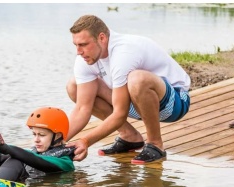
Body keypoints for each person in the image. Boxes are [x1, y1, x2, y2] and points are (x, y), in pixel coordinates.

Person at [65, 15, 191, 165]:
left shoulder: (124, 52)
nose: (79, 51)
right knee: (74, 86)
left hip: (173, 104)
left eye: (84, 44)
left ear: (102, 38)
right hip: (135, 102)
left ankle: (155, 144)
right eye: (76, 45)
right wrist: (57, 142)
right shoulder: (85, 58)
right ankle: (129, 136)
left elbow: (120, 113)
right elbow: (82, 109)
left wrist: (85, 141)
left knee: (137, 79)